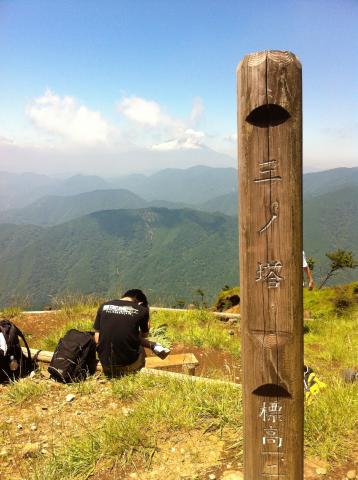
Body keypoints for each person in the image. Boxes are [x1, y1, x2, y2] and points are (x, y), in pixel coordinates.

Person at [93, 289, 170, 377]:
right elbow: (144, 335)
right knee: (140, 348)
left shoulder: (104, 306)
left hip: (105, 364)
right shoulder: (141, 310)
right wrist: (146, 318)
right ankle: (135, 368)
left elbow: (97, 338)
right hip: (128, 366)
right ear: (140, 302)